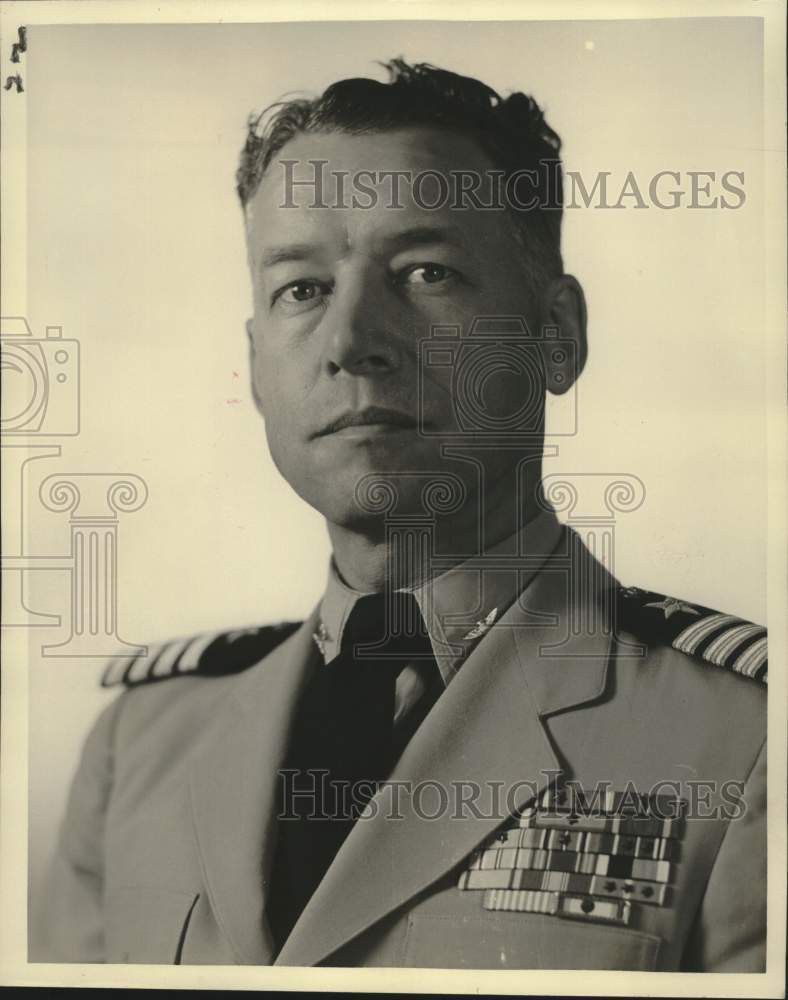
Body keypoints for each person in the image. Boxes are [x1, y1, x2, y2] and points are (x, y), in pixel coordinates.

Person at [35, 60, 767, 970]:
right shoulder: (138, 748)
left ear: (556, 337)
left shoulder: (746, 743)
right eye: (302, 289)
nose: (350, 344)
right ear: (256, 366)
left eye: (426, 272)